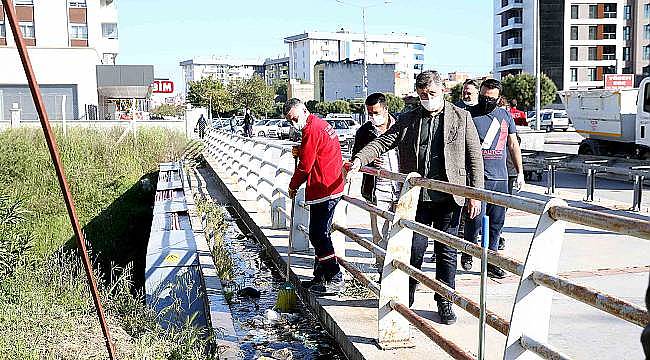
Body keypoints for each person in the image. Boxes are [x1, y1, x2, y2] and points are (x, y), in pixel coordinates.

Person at [346, 70, 484, 325]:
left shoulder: (461, 117)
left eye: (431, 94)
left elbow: (474, 158)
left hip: (449, 197)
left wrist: (475, 196)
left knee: (446, 252)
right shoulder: (409, 119)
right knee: (415, 249)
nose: (427, 98)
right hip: (417, 198)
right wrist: (358, 159)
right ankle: (406, 296)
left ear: (442, 90)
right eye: (422, 95)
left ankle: (444, 300)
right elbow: (382, 141)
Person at [462, 79, 524, 277]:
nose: (486, 100)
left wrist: (520, 172)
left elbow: (513, 145)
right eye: (484, 96)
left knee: (497, 223)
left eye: (491, 98)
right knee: (475, 220)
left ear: (498, 99)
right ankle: (469, 251)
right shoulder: (468, 116)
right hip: (477, 179)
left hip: (500, 180)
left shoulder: (505, 116)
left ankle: (492, 260)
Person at [284, 98, 346, 296]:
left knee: (318, 235)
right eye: (289, 121)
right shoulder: (319, 125)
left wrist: (293, 186)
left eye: (294, 118)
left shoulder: (312, 129)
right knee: (321, 234)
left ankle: (335, 277)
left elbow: (305, 166)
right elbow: (315, 151)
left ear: (304, 110)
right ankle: (320, 276)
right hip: (328, 184)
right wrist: (301, 149)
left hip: (325, 188)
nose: (294, 123)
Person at [351, 93, 400, 255]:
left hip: (401, 187)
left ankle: (396, 268)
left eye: (376, 113)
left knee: (399, 232)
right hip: (377, 189)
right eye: (370, 113)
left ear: (386, 110)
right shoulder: (363, 132)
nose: (373, 117)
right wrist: (370, 161)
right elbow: (355, 158)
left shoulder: (400, 126)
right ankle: (381, 271)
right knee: (379, 234)